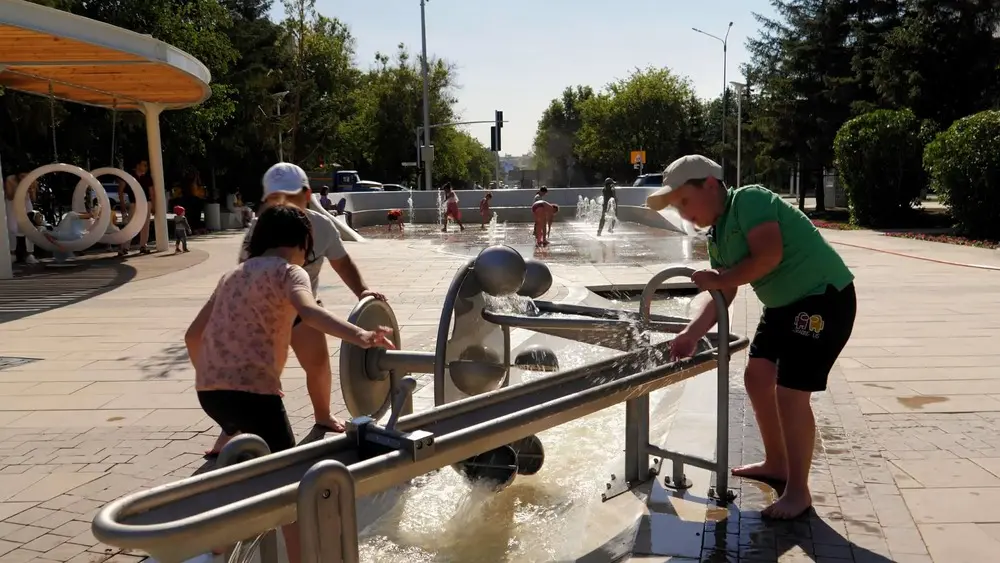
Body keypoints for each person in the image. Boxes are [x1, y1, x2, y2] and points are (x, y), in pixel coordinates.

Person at [646, 154, 856, 520]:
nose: (683, 214)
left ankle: (798, 492)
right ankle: (777, 462)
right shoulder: (717, 236)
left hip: (822, 297)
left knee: (790, 395)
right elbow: (723, 293)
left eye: (684, 202)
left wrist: (720, 279)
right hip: (781, 306)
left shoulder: (750, 200)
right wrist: (691, 334)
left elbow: (768, 256)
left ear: (710, 185)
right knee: (757, 377)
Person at [184, 203, 395, 563]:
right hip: (255, 395)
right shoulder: (290, 273)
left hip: (211, 394)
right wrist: (361, 335)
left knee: (254, 468)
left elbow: (193, 335)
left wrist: (213, 376)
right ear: (303, 244)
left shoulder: (231, 276)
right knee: (290, 487)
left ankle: (219, 543)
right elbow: (310, 313)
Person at [206, 162, 386, 456]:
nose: (284, 203)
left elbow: (343, 263)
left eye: (291, 196)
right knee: (248, 377)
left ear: (307, 194)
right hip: (264, 313)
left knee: (318, 363)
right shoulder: (259, 230)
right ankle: (232, 427)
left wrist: (362, 290)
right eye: (276, 198)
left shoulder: (323, 226)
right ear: (267, 200)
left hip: (303, 309)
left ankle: (323, 414)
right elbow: (244, 272)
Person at [118, 159, 154, 256]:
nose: (146, 168)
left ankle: (143, 245)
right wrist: (123, 206)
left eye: (146, 166)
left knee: (145, 224)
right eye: (144, 165)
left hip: (146, 202)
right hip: (134, 202)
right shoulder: (129, 175)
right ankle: (125, 247)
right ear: (138, 165)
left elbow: (151, 192)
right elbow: (120, 190)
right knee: (131, 224)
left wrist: (153, 206)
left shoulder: (147, 177)